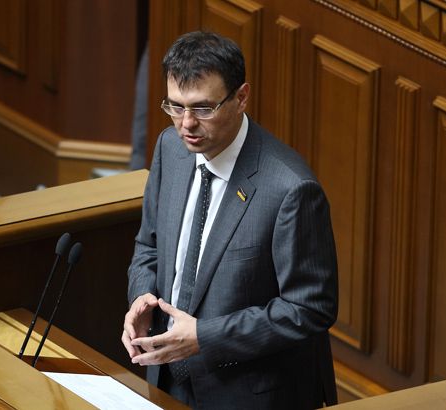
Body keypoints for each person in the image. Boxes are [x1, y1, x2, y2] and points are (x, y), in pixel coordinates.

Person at [122, 31, 338, 409]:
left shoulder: (290, 189)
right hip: (166, 376)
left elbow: (309, 308)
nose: (186, 124)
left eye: (203, 108)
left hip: (248, 395)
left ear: (241, 98)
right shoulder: (170, 149)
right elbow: (149, 245)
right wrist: (142, 297)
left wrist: (205, 337)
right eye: (175, 106)